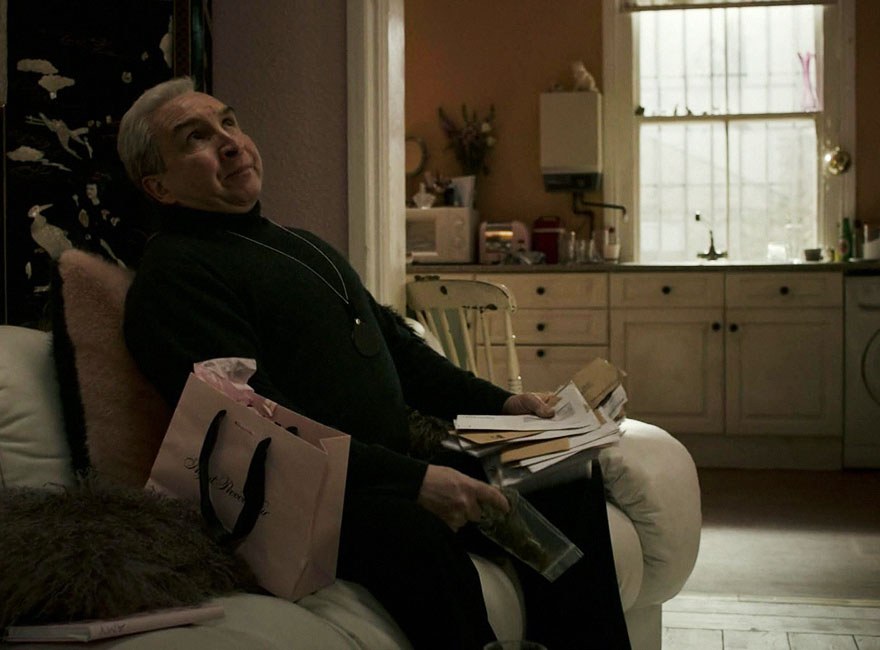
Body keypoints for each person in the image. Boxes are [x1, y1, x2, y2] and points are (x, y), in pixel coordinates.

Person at [119, 77, 631, 650]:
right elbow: (257, 423)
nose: (231, 143)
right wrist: (415, 483)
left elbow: (402, 353)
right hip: (312, 494)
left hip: (392, 462)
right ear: (159, 186)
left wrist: (507, 405)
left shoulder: (301, 244)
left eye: (229, 122)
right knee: (419, 540)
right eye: (196, 137)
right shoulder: (174, 277)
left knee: (561, 472)